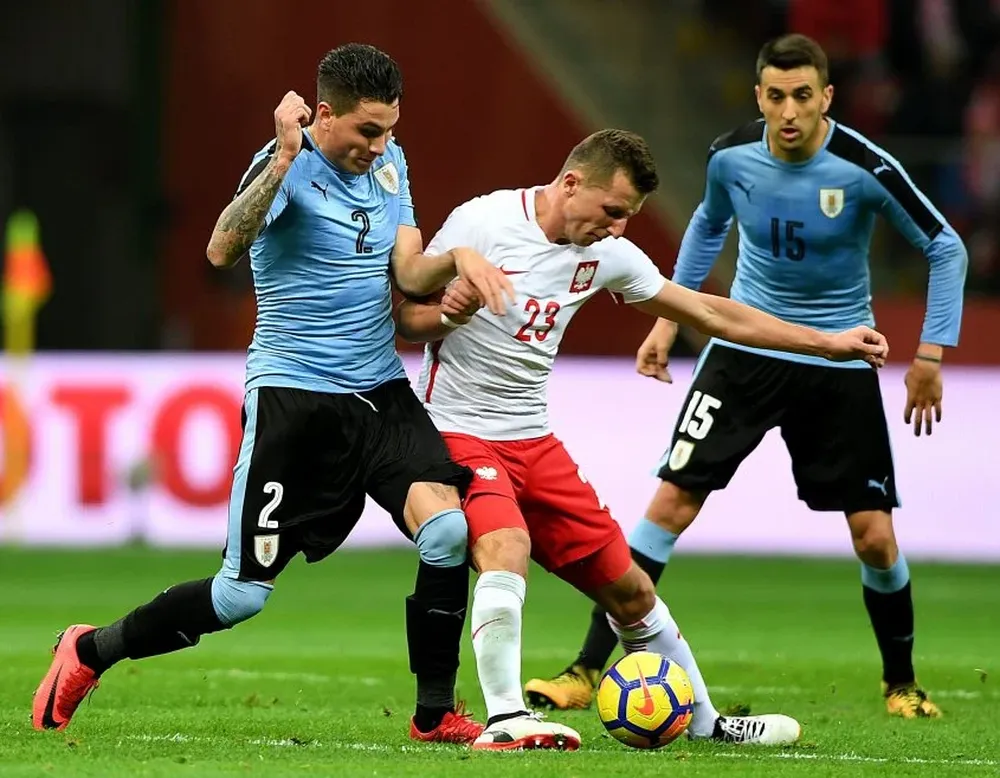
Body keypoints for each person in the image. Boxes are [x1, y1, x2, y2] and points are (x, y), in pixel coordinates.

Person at [31, 43, 515, 744]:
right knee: (239, 597)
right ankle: (89, 649)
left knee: (445, 531)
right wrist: (285, 157)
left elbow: (409, 274)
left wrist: (458, 265)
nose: (380, 145)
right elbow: (220, 250)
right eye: (367, 131)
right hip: (295, 399)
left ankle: (434, 713)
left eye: (390, 129)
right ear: (324, 114)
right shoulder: (283, 165)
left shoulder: (391, 163)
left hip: (379, 390)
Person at [395, 128, 889, 749]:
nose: (618, 228)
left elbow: (710, 312)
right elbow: (406, 316)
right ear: (571, 183)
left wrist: (826, 342)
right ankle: (506, 718)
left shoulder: (606, 254)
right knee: (506, 547)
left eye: (627, 216)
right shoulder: (484, 221)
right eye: (612, 211)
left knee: (631, 592)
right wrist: (450, 312)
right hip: (459, 431)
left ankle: (706, 724)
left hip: (535, 441)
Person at [525, 34, 968, 720]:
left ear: (826, 97)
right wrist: (667, 321)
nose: (788, 111)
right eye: (775, 96)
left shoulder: (863, 167)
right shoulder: (730, 157)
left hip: (837, 360)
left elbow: (945, 245)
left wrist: (930, 357)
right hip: (744, 353)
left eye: (802, 96)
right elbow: (707, 226)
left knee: (874, 537)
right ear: (759, 95)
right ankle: (584, 669)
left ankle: (902, 684)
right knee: (669, 506)